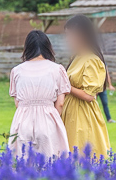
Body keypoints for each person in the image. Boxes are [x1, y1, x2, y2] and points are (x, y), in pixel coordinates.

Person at [7, 30, 71, 158]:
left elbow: (17, 103)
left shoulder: (16, 71)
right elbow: (60, 103)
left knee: (22, 162)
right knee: (50, 163)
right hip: (48, 122)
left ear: (27, 48)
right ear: (48, 47)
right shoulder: (57, 69)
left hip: (22, 122)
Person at [60, 15, 111, 156]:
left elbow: (89, 96)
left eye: (70, 35)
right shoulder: (76, 58)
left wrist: (66, 86)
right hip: (69, 111)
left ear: (81, 35)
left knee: (81, 152)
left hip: (81, 114)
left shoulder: (92, 60)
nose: (68, 40)